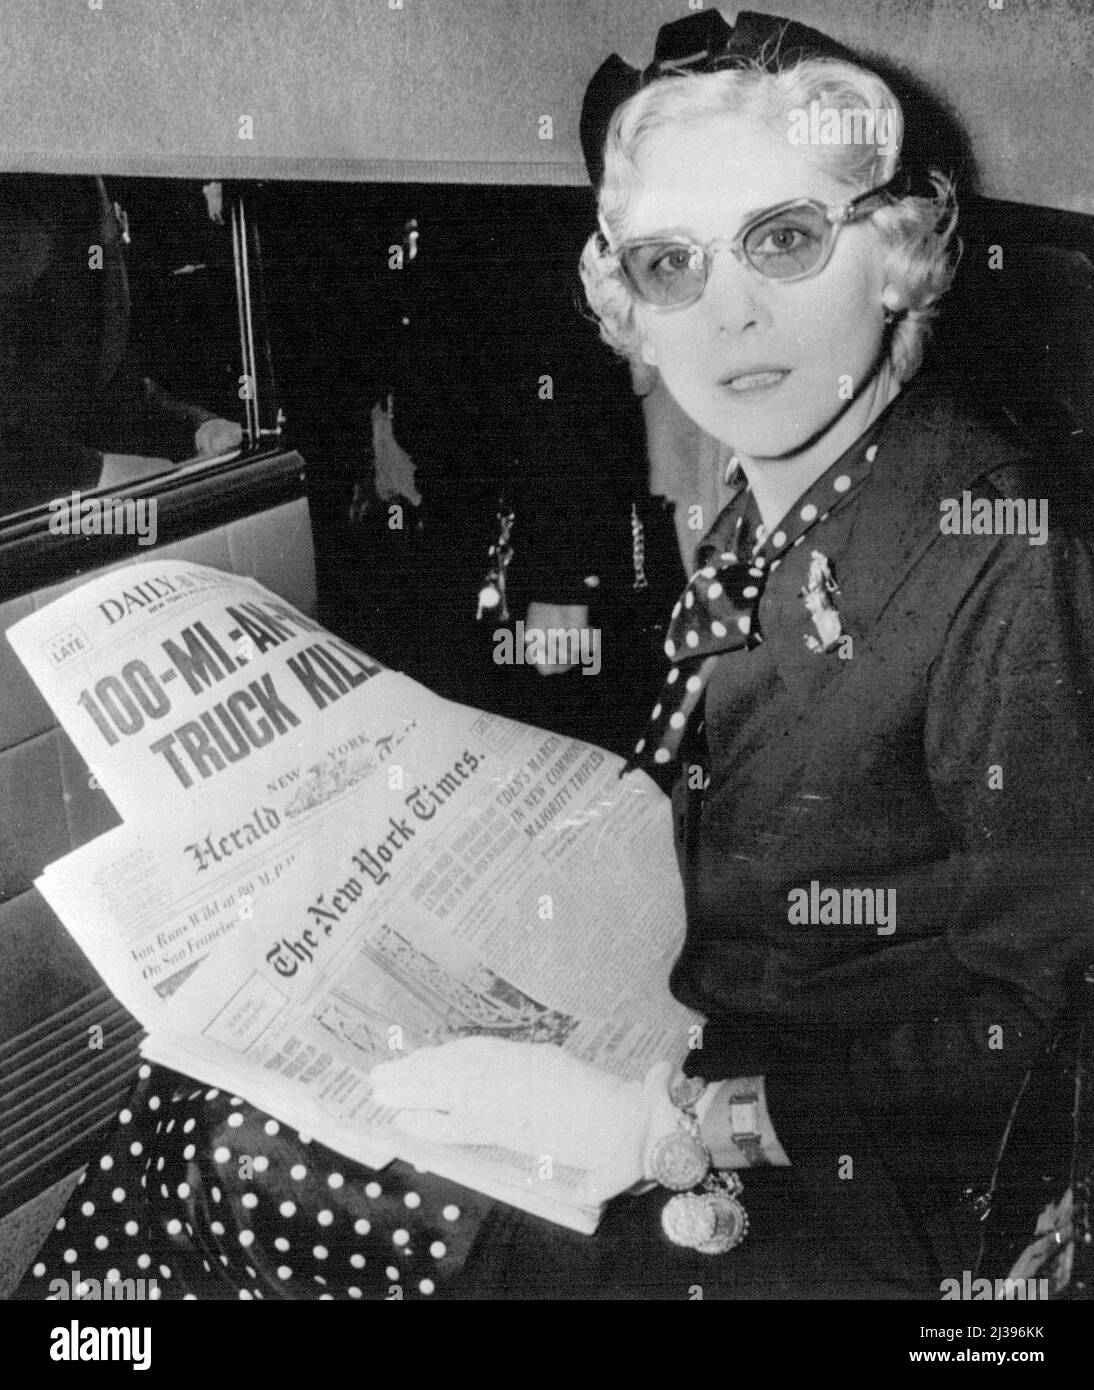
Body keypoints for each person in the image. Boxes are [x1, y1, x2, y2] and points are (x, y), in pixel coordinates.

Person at [16, 24, 1093, 1302]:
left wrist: (684, 1126)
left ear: (896, 255)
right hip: (707, 1040)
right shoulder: (784, 491)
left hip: (868, 1193)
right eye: (668, 264)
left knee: (231, 1155)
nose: (729, 308)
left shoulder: (1000, 548)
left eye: (785, 239)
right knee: (190, 1077)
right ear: (625, 303)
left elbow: (1040, 1028)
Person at [0, 174, 241, 516]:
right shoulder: (24, 202)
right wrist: (96, 473)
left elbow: (106, 387)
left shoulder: (77, 191)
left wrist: (196, 428)